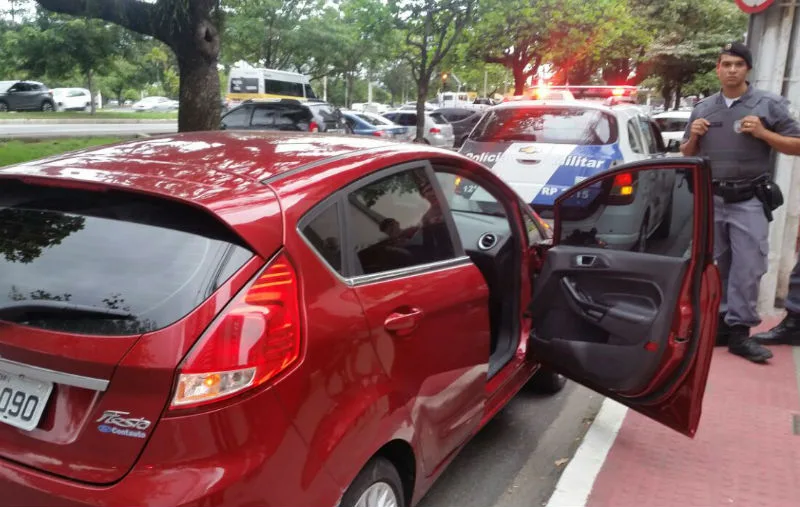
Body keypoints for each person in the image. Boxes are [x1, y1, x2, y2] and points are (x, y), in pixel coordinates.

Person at [680, 41, 800, 363]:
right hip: (714, 198)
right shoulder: (703, 108)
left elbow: (797, 145)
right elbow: (686, 154)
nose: (732, 70)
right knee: (719, 266)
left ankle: (740, 333)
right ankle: (721, 325)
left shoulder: (769, 105)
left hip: (749, 198)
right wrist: (693, 137)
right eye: (726, 64)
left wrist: (763, 134)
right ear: (718, 68)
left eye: (738, 64)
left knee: (748, 267)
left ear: (748, 69)